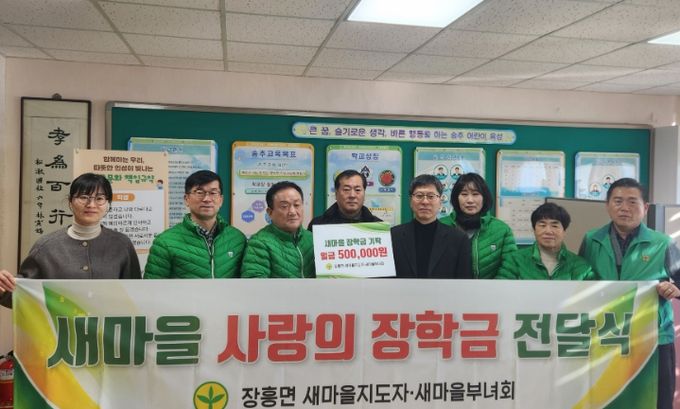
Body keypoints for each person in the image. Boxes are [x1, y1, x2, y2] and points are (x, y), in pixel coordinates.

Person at [579, 178, 680, 409]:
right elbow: (580, 282)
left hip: (653, 337)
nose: (624, 208)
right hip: (605, 333)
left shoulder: (662, 243)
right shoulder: (592, 240)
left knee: (655, 399)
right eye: (618, 201)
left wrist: (675, 289)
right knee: (607, 398)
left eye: (632, 202)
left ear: (645, 207)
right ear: (607, 206)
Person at [0, 173, 141, 308]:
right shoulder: (46, 247)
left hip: (108, 325)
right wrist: (3, 287)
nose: (91, 204)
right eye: (83, 197)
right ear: (70, 202)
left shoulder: (121, 245)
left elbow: (136, 296)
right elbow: (23, 294)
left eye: (99, 198)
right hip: (59, 325)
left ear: (108, 203)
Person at [144, 170, 246, 279]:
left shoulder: (237, 239)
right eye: (199, 192)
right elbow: (151, 287)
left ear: (221, 200)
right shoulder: (165, 242)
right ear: (186, 199)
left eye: (213, 193)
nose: (207, 199)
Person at [391, 174, 472, 279]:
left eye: (431, 196)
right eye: (419, 196)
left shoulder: (458, 239)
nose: (425, 202)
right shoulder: (393, 236)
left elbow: (464, 282)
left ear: (440, 201)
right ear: (410, 201)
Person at [440, 173, 517, 279]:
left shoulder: (502, 230)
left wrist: (492, 288)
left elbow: (510, 268)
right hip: (447, 288)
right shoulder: (441, 226)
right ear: (456, 198)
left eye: (475, 194)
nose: (470, 200)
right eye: (464, 194)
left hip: (491, 289)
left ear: (484, 198)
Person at [497, 203, 594, 280]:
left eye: (555, 226)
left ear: (564, 231)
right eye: (542, 225)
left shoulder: (581, 266)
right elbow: (503, 292)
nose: (548, 231)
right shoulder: (514, 260)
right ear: (534, 230)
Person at [242, 181, 314, 278]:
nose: (292, 212)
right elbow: (255, 283)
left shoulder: (312, 239)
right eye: (284, 206)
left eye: (297, 205)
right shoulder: (259, 243)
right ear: (270, 212)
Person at [307, 169, 381, 232]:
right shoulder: (318, 225)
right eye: (346, 189)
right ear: (336, 194)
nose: (352, 195)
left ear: (364, 194)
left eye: (357, 190)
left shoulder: (378, 226)